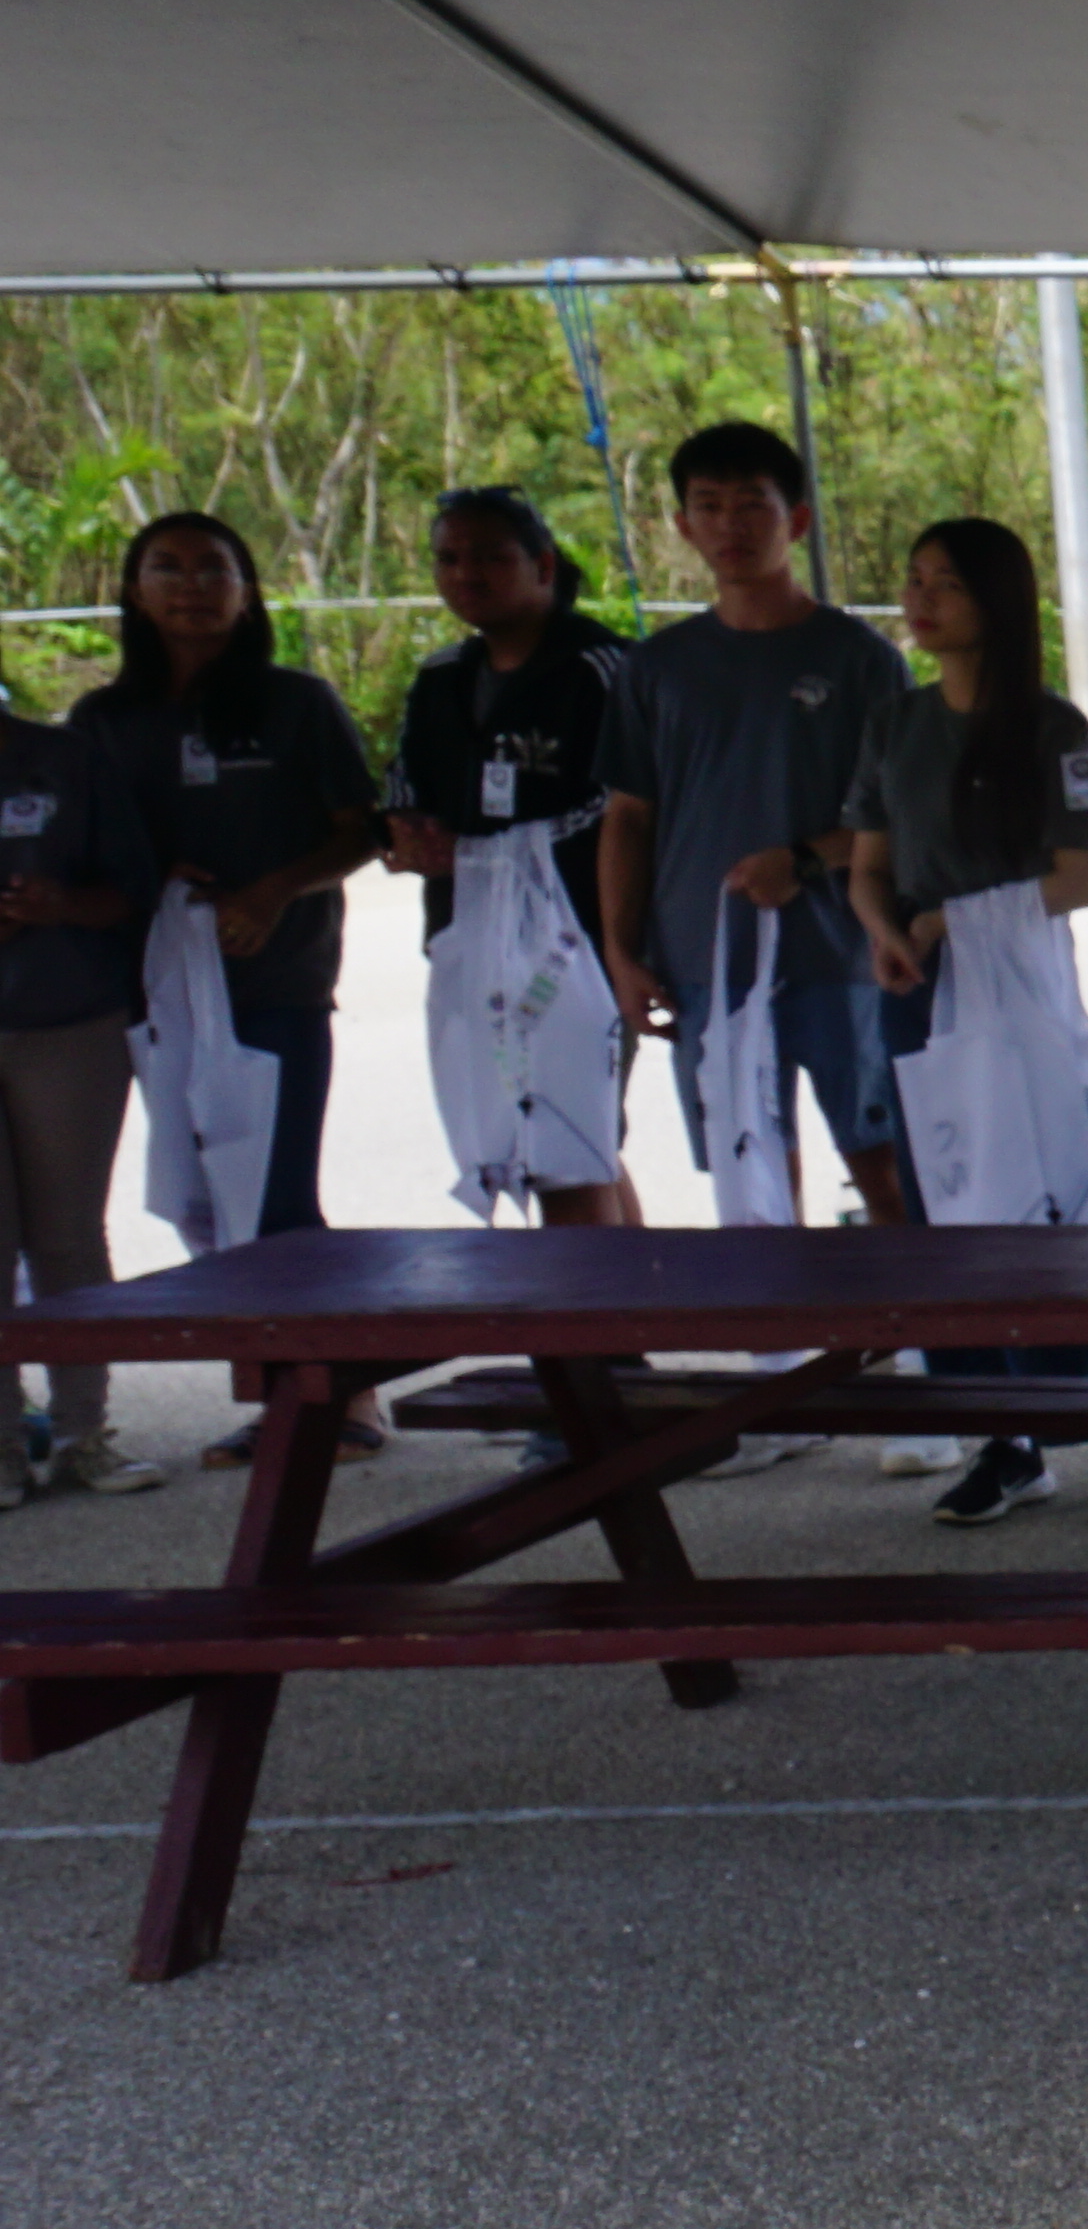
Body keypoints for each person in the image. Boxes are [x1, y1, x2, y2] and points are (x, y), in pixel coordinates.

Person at [845, 515, 1088, 1530]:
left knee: (1061, 1200)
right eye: (914, 576)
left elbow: (1083, 877)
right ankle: (1000, 1437)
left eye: (948, 583)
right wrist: (889, 931)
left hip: (1022, 990)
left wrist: (951, 918)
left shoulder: (1050, 726)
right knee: (953, 1215)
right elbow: (867, 868)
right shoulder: (896, 722)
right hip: (926, 995)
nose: (922, 599)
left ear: (998, 600)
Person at [76, 513, 388, 1460]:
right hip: (154, 995)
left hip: (278, 982)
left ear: (248, 590)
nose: (190, 585)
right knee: (205, 1195)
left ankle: (341, 1406)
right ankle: (301, 1389)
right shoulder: (101, 720)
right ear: (134, 592)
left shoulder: (298, 703)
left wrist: (273, 889)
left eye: (215, 567)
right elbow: (89, 848)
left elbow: (363, 830)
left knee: (280, 1193)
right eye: (164, 568)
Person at [599, 421, 920, 1276]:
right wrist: (620, 952)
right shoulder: (656, 667)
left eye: (753, 506)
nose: (731, 526)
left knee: (887, 1170)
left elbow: (904, 817)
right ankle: (799, 1370)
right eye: (709, 507)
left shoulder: (860, 660)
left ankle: (930, 1353)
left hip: (844, 956)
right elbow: (628, 818)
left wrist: (807, 858)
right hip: (708, 965)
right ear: (681, 527)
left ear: (799, 521)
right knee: (756, 1181)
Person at [384, 485, 645, 1236]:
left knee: (560, 1144)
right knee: (563, 1141)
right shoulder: (440, 677)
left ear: (542, 566)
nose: (469, 572)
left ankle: (586, 1343)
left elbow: (626, 801)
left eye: (493, 556)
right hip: (472, 941)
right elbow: (403, 786)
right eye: (450, 557)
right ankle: (629, 1327)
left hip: (579, 947)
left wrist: (493, 851)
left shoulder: (602, 667)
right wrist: (408, 834)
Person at [0, 662, 169, 1501]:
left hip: (68, 1023)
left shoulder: (64, 758)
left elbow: (132, 890)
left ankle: (82, 1433)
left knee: (66, 1235)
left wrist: (55, 905)